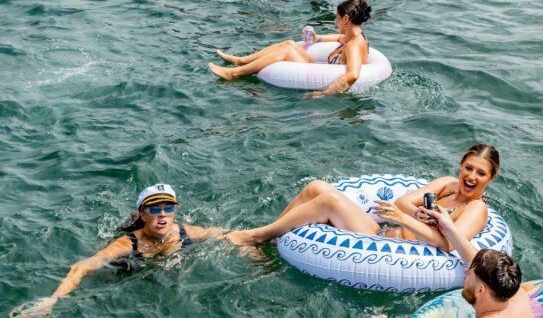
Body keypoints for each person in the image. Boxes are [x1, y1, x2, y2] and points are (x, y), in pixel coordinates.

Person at [15, 184, 229, 317]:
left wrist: (253, 250)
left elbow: (230, 235)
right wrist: (53, 299)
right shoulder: (126, 244)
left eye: (168, 208)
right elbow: (82, 267)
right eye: (154, 209)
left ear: (175, 211)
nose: (162, 214)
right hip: (131, 266)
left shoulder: (186, 231)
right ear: (143, 214)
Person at [226, 144, 500, 246]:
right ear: (461, 165)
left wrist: (407, 221)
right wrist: (417, 214)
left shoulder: (477, 209)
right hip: (384, 233)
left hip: (394, 250)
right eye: (468, 168)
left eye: (480, 173)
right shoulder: (447, 185)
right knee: (317, 187)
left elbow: (450, 244)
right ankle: (271, 239)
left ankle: (255, 236)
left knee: (328, 200)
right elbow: (403, 202)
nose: (471, 177)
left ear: (491, 178)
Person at [209, 0, 372, 92]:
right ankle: (242, 61)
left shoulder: (354, 45)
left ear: (345, 19)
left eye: (337, 18)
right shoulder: (353, 37)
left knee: (287, 49)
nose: (335, 22)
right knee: (289, 43)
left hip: (322, 78)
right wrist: (318, 38)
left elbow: (352, 76)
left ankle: (235, 74)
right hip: (320, 68)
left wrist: (324, 94)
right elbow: (339, 38)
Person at [428, 206, 533, 317]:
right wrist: (448, 228)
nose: (466, 270)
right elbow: (477, 261)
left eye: (470, 271)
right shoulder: (517, 296)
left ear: (480, 290)